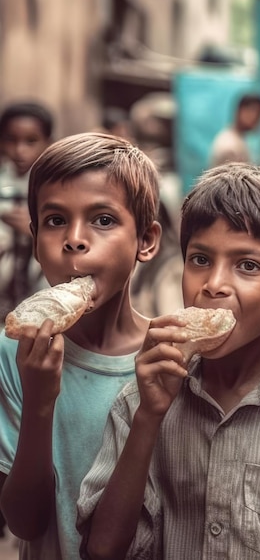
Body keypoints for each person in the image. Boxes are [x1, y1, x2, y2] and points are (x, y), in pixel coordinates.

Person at [76, 163, 260, 559]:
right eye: (200, 260)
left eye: (247, 266)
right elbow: (101, 550)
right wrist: (148, 418)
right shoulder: (139, 402)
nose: (214, 284)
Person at [0, 133, 162, 560]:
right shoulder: (11, 353)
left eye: (103, 220)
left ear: (146, 240)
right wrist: (39, 401)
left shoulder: (169, 357)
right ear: (35, 241)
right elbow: (25, 523)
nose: (74, 239)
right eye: (55, 221)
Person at [0, 101, 55, 320]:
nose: (19, 150)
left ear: (48, 142)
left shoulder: (54, 187)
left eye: (31, 141)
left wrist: (34, 231)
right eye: (11, 140)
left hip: (39, 292)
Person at [208, 92, 260, 167]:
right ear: (239, 110)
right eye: (253, 111)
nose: (257, 117)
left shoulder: (236, 138)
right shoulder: (230, 147)